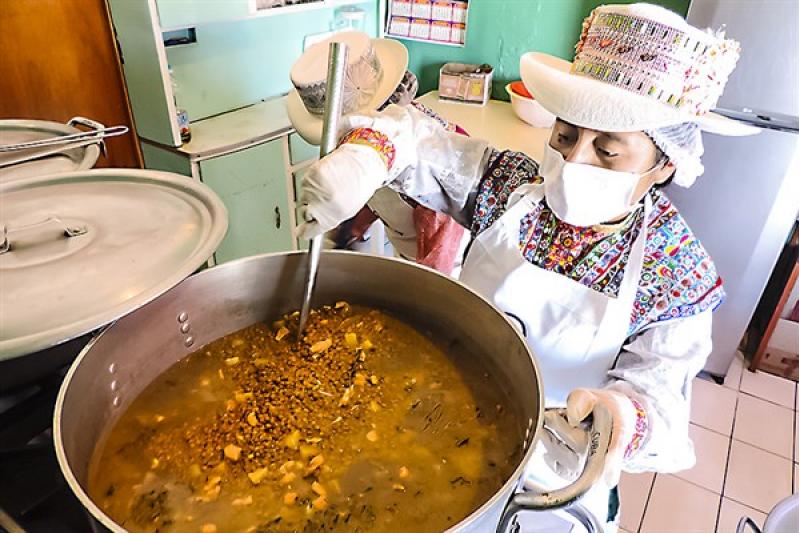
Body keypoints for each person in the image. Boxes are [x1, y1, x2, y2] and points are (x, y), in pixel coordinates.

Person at [297, 4, 757, 531]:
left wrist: (621, 417)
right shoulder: (511, 186)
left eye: (608, 151)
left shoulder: (675, 269)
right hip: (441, 418)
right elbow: (420, 142)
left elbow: (661, 392)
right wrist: (366, 159)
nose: (576, 160)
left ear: (664, 165)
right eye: (565, 136)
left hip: (551, 477)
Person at [334, 70, 470, 275]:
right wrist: (352, 230)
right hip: (410, 248)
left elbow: (436, 270)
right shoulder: (371, 144)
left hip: (450, 268)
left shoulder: (427, 165)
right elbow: (378, 191)